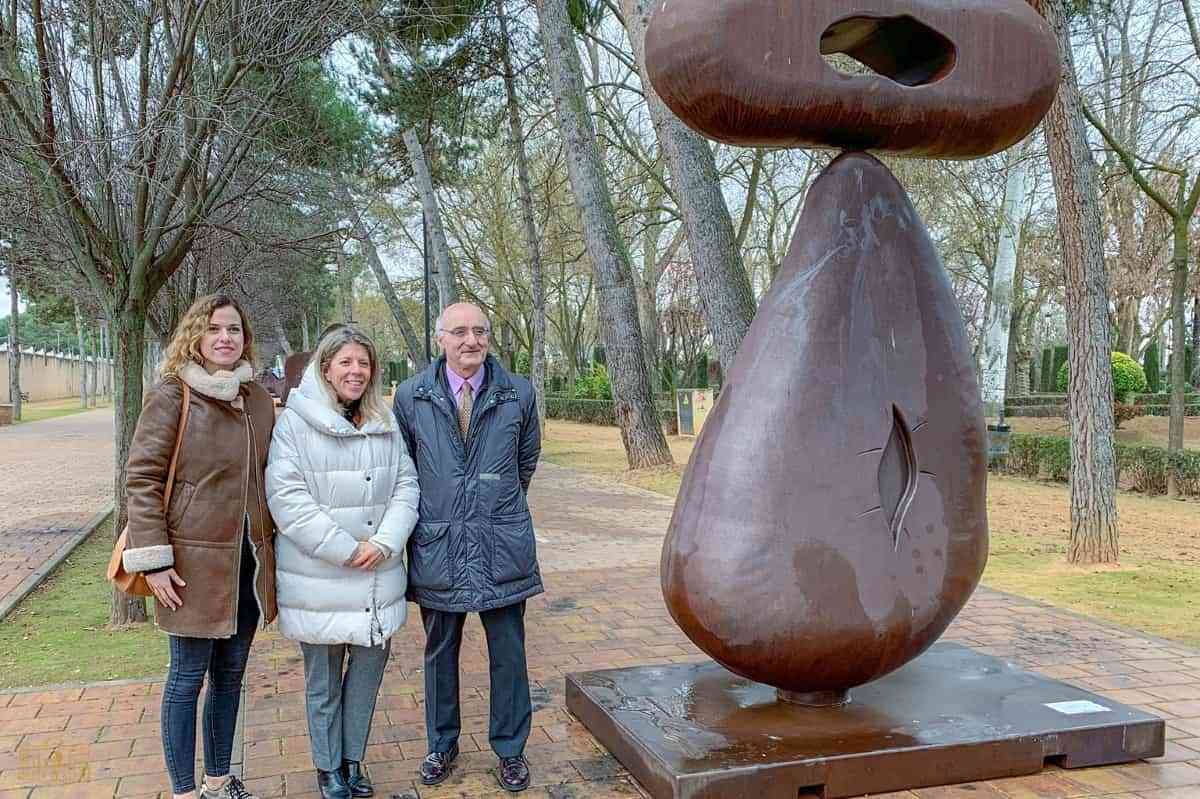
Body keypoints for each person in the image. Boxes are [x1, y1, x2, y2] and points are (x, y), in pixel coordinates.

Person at [123, 294, 278, 799]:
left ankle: (218, 780)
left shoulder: (255, 398)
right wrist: (155, 561)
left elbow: (270, 476)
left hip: (246, 564)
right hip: (189, 564)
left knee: (230, 678)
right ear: (196, 336)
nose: (225, 338)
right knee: (186, 679)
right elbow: (143, 478)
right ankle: (185, 790)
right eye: (214, 329)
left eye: (233, 329)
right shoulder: (173, 394)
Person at [392, 302, 542, 793]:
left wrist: (491, 504)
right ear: (440, 338)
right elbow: (406, 468)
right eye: (459, 332)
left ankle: (510, 750)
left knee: (508, 653)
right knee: (439, 653)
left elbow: (526, 461)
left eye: (479, 331)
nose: (470, 341)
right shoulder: (411, 396)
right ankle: (441, 743)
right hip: (438, 545)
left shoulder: (517, 392)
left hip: (501, 544)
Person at [267, 326, 420, 799]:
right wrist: (343, 548)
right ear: (326, 367)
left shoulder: (384, 420)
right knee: (324, 682)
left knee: (366, 680)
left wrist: (388, 541)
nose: (356, 371)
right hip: (321, 576)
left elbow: (406, 486)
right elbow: (287, 498)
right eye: (346, 362)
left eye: (364, 363)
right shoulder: (295, 423)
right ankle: (327, 767)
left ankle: (353, 759)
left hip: (378, 574)